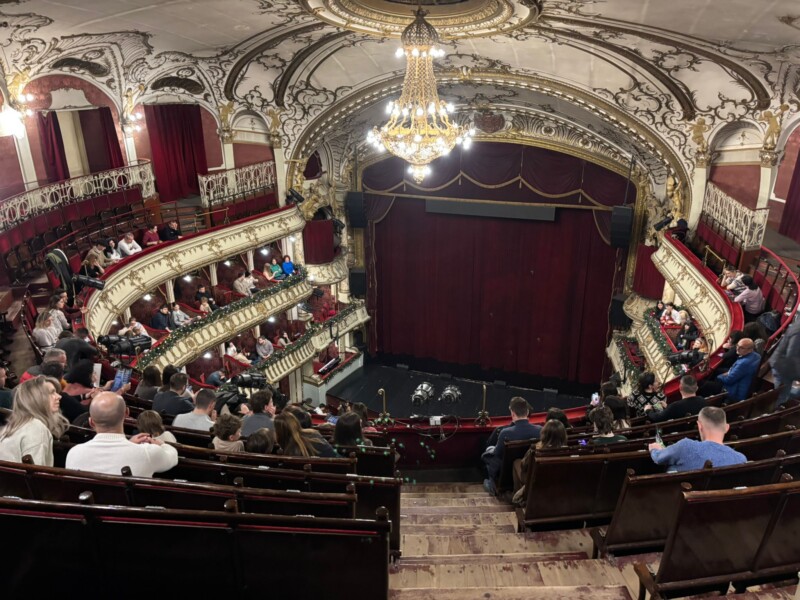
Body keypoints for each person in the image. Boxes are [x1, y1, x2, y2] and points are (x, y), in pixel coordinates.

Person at [65, 392, 178, 477]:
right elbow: (173, 456)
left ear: (91, 422)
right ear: (126, 414)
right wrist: (161, 444)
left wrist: (129, 444)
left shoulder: (73, 454)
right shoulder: (147, 452)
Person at [649, 406, 746, 472]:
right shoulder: (741, 460)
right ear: (727, 428)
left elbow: (659, 458)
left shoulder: (686, 446)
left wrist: (654, 449)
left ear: (699, 426)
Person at [0, 377, 69, 466]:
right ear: (37, 398)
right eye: (52, 392)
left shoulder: (14, 426)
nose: (59, 396)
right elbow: (36, 472)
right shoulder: (36, 428)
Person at [482, 397, 542, 494]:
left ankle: (492, 483)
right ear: (527, 412)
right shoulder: (540, 430)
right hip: (528, 469)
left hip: (506, 471)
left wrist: (490, 450)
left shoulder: (505, 432)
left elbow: (497, 454)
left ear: (513, 414)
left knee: (488, 452)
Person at [716, 337, 760, 402]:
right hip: (744, 383)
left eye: (741, 348)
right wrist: (729, 372)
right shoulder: (757, 356)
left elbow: (729, 380)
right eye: (737, 345)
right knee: (718, 370)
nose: (737, 348)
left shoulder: (744, 363)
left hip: (734, 392)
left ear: (750, 350)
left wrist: (720, 376)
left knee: (706, 385)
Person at [770, 318, 800, 406]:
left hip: (787, 364)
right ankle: (775, 411)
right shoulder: (798, 331)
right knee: (782, 396)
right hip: (783, 367)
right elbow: (792, 356)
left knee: (785, 393)